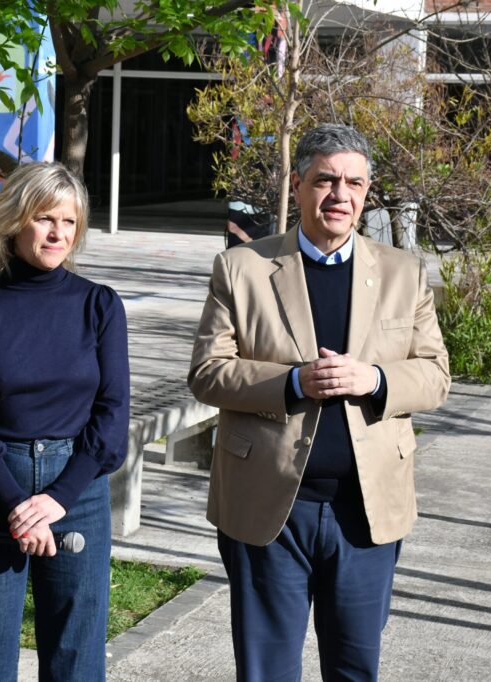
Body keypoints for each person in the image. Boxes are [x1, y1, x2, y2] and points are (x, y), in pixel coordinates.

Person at [188, 124, 450, 681]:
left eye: (354, 183)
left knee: (355, 669)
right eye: (326, 180)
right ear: (298, 183)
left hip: (367, 512)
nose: (340, 195)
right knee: (267, 672)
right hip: (269, 507)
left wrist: (373, 379)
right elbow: (208, 374)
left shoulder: (404, 273)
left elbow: (435, 376)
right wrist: (292, 383)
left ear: (367, 191)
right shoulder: (242, 267)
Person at [0, 162, 130, 681]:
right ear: (13, 221)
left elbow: (112, 417)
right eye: (45, 218)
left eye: (69, 222)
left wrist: (58, 499)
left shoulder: (100, 305)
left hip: (78, 491)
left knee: (77, 657)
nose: (57, 233)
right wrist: (18, 506)